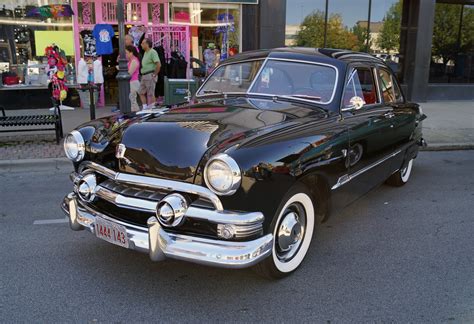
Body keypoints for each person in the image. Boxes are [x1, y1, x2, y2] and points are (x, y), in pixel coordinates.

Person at [139, 38, 161, 109]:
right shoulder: (145, 52)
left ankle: (153, 108)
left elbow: (158, 64)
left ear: (147, 44)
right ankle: (145, 107)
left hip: (149, 74)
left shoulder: (152, 52)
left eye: (143, 43)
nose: (141, 45)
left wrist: (154, 74)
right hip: (144, 75)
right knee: (141, 92)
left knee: (151, 93)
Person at [125, 45, 141, 112]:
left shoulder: (134, 61)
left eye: (127, 53)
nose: (126, 55)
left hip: (133, 81)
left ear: (131, 53)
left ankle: (135, 111)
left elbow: (130, 73)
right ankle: (134, 110)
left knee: (132, 98)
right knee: (132, 98)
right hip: (132, 81)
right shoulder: (131, 60)